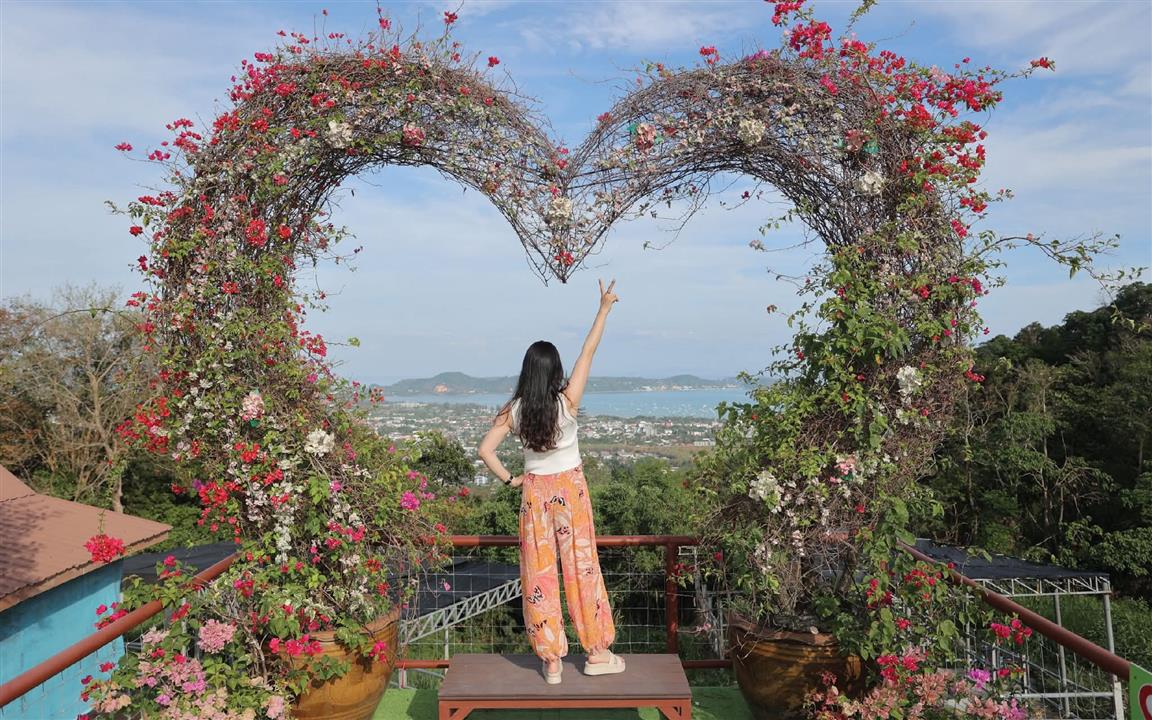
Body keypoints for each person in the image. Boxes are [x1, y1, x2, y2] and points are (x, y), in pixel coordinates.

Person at [477, 279, 625, 685]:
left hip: (534, 493)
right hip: (571, 492)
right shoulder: (568, 400)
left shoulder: (515, 410)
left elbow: (485, 450)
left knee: (539, 576)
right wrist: (604, 308)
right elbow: (588, 351)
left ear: (527, 371)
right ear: (556, 370)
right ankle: (596, 652)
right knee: (582, 570)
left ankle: (552, 662)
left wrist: (511, 480)